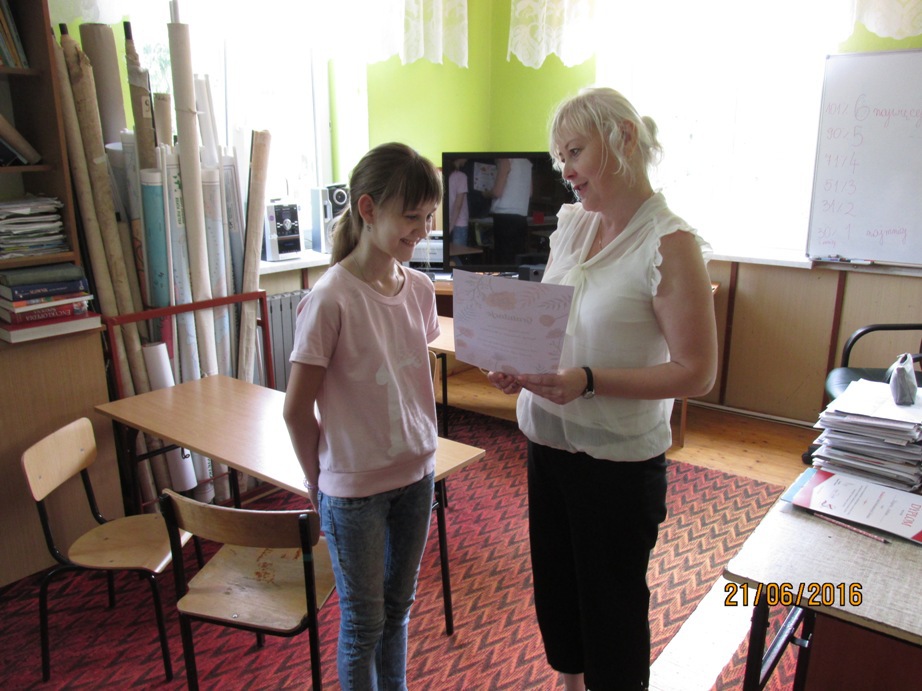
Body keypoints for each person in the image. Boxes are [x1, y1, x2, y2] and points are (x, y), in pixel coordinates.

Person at [487, 87, 718, 690]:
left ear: (624, 138)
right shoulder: (571, 225)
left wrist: (588, 382)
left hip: (616, 463)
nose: (565, 170)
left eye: (574, 151)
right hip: (547, 444)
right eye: (559, 157)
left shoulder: (669, 244)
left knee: (611, 614)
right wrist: (516, 362)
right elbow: (551, 326)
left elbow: (697, 372)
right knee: (558, 596)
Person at [283, 142, 443, 690]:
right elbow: (296, 410)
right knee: (363, 624)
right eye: (411, 216)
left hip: (417, 476)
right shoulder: (330, 299)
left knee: (399, 610)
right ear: (368, 209)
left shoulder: (419, 288)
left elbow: (408, 373)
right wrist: (318, 482)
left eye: (429, 217)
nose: (422, 230)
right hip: (354, 492)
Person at [487, 157, 533, 264]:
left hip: (504, 215)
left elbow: (497, 192)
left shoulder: (506, 160)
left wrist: (485, 193)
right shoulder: (527, 163)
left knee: (503, 257)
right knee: (518, 256)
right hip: (521, 214)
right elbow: (530, 192)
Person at [448, 157, 470, 248]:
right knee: (458, 253)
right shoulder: (461, 177)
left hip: (448, 220)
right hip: (460, 222)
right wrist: (451, 227)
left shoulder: (447, 175)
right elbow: (458, 205)